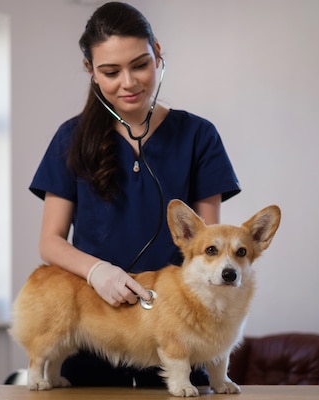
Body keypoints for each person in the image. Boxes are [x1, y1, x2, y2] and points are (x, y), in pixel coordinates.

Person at [29, 1, 241, 387]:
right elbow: (50, 241)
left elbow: (209, 245)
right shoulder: (71, 138)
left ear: (158, 55)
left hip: (177, 344)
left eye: (140, 64)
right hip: (94, 342)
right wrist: (97, 272)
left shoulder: (198, 136)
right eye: (110, 71)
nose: (128, 82)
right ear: (91, 72)